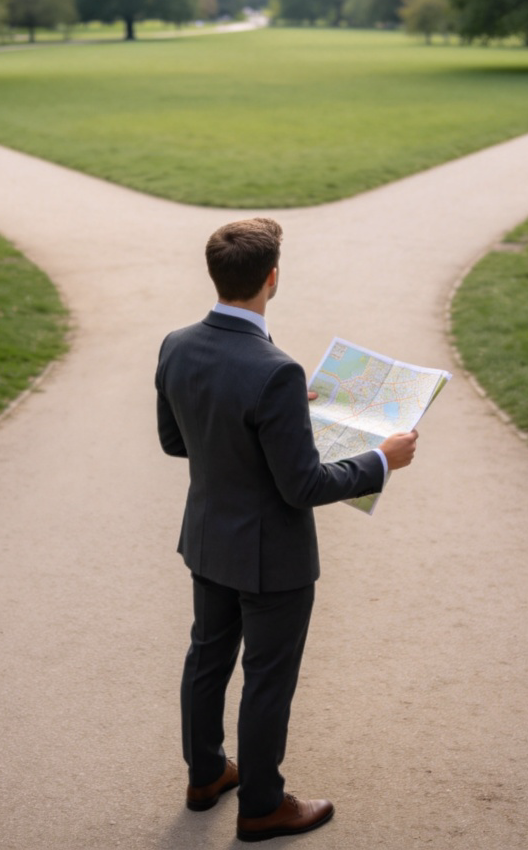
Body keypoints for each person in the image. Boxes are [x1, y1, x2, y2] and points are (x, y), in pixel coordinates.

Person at [155, 217, 419, 842]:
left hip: (208, 539)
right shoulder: (276, 370)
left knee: (207, 659)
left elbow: (175, 441)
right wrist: (382, 460)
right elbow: (302, 486)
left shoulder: (176, 344)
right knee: (267, 678)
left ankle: (205, 775)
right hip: (273, 559)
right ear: (272, 279)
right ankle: (263, 806)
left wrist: (270, 425)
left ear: (216, 275)